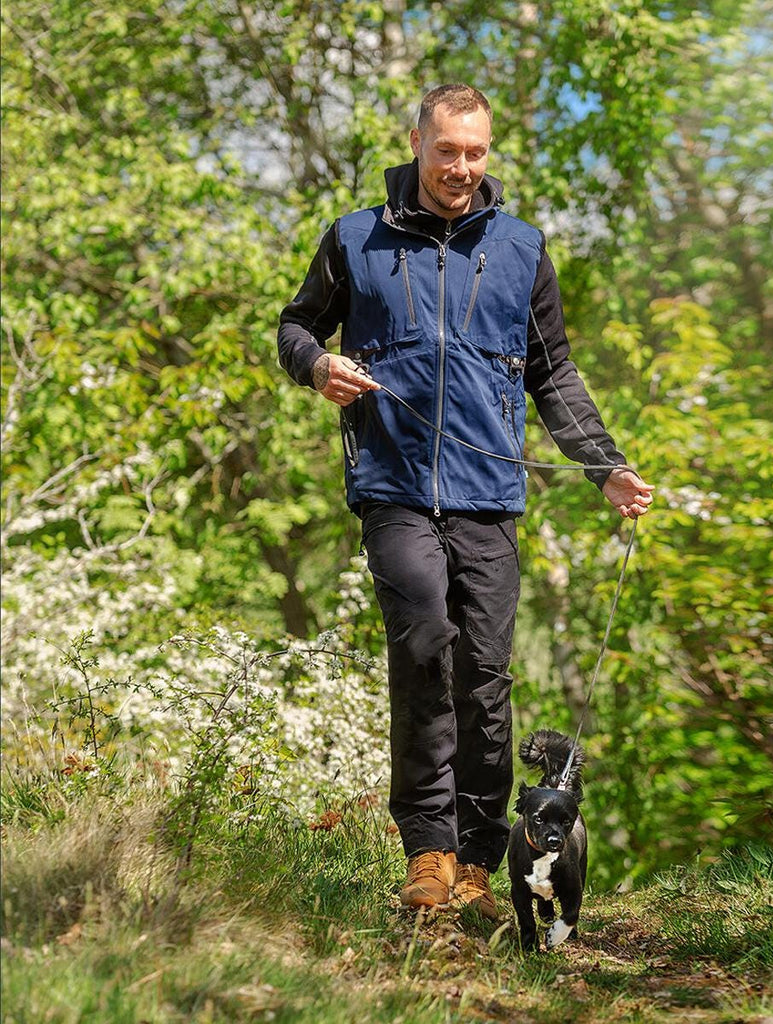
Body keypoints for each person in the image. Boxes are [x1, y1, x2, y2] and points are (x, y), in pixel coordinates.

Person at [278, 84, 653, 917]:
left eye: (475, 152)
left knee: (484, 677)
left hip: (488, 495)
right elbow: (297, 325)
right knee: (424, 643)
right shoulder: (355, 238)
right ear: (417, 142)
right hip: (394, 486)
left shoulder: (521, 248)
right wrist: (316, 365)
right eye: (446, 150)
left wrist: (607, 468)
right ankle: (429, 855)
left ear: (490, 153)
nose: (460, 167)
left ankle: (484, 865)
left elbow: (553, 371)